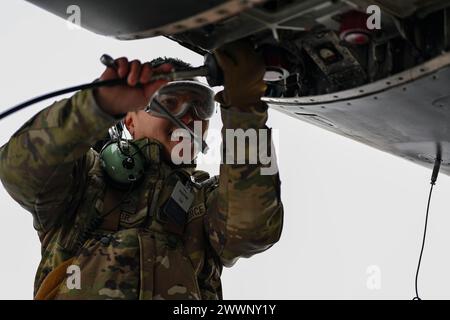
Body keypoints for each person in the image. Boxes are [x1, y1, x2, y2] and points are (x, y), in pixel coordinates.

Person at [0, 40, 284, 300]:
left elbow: (252, 230)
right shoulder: (85, 178)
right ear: (131, 121)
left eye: (199, 108)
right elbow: (19, 169)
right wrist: (96, 106)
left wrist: (245, 114)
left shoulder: (206, 203)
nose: (187, 116)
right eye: (170, 103)